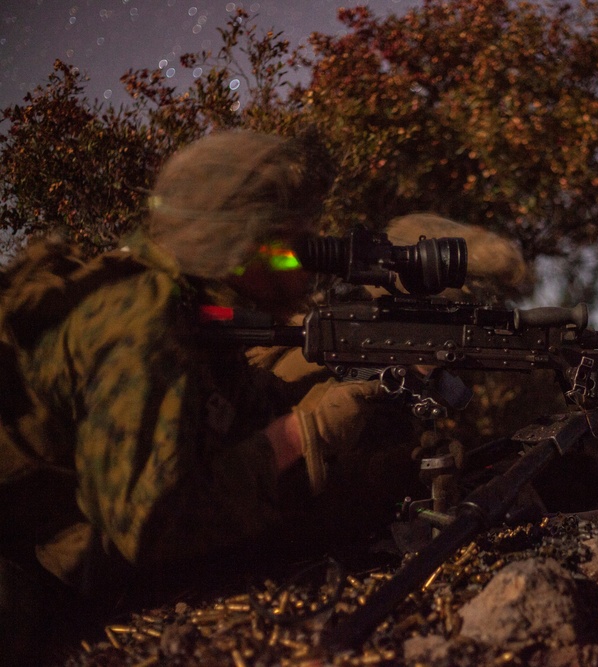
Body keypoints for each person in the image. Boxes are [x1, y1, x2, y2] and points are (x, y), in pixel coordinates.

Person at [0, 131, 409, 662]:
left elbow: (234, 418)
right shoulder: (143, 319)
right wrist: (303, 435)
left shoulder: (201, 311)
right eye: (287, 243)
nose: (304, 255)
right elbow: (150, 527)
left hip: (73, 540)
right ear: (236, 248)